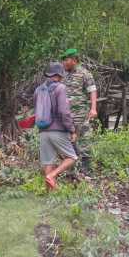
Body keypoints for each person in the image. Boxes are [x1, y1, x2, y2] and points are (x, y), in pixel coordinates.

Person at [35, 62, 77, 190]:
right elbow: (64, 112)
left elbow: (36, 109)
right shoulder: (60, 88)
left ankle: (50, 193)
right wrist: (72, 129)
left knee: (48, 161)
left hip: (43, 131)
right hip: (57, 130)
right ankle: (52, 175)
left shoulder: (38, 89)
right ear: (59, 75)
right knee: (72, 157)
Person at [62, 48, 98, 169]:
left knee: (84, 137)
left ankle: (86, 166)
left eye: (66, 60)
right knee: (69, 137)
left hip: (80, 113)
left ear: (73, 60)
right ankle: (73, 163)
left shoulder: (84, 73)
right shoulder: (64, 74)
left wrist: (93, 109)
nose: (63, 63)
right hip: (67, 114)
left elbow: (92, 90)